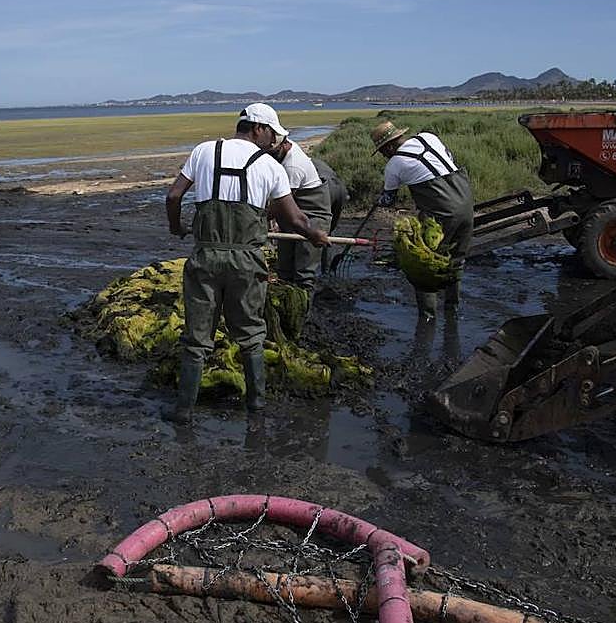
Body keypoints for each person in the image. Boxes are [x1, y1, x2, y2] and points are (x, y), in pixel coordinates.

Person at [164, 103, 330, 423]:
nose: (273, 142)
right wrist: (314, 236)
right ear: (258, 129)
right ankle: (256, 408)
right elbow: (294, 218)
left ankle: (183, 411)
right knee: (251, 335)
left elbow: (173, 197)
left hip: (205, 259)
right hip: (247, 262)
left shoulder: (203, 151)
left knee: (197, 339)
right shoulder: (271, 167)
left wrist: (176, 227)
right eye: (272, 134)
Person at [371, 120, 473, 321]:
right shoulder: (429, 137)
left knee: (423, 265)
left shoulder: (394, 164)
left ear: (390, 146)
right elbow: (446, 162)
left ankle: (427, 318)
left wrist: (380, 199)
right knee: (456, 259)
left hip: (442, 214)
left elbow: (388, 201)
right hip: (466, 202)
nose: (384, 156)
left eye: (383, 151)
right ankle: (452, 311)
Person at [266, 134, 333, 295]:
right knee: (284, 269)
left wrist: (255, 220)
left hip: (313, 216)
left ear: (284, 145)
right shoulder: (287, 150)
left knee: (304, 274)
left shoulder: (292, 167)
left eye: (273, 153)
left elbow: (281, 204)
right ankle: (286, 309)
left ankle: (303, 315)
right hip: (293, 216)